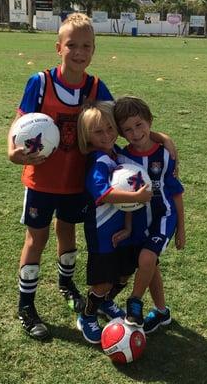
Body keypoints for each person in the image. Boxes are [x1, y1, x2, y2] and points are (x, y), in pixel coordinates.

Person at [7, 13, 115, 340]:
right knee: (36, 239)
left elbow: (116, 123)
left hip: (75, 182)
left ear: (93, 50)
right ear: (59, 47)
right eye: (72, 45)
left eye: (86, 46)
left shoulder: (96, 87)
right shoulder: (40, 83)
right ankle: (26, 304)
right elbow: (21, 123)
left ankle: (66, 284)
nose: (79, 52)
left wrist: (160, 140)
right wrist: (12, 149)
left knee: (68, 232)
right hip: (41, 181)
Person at [76, 101, 152, 344]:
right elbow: (104, 195)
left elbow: (127, 202)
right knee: (103, 281)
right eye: (98, 132)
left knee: (124, 273)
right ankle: (87, 314)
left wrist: (129, 226)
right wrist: (137, 197)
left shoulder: (117, 153)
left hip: (122, 230)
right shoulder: (98, 160)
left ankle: (105, 302)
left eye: (110, 128)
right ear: (87, 136)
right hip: (102, 232)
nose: (107, 135)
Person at [114, 96, 186, 333]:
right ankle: (162, 313)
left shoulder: (166, 155)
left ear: (149, 122)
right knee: (150, 265)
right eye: (128, 129)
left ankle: (134, 302)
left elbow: (176, 193)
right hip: (139, 220)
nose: (135, 133)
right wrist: (127, 227)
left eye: (139, 125)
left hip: (164, 217)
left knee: (145, 259)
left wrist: (182, 230)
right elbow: (126, 196)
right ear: (122, 133)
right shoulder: (123, 157)